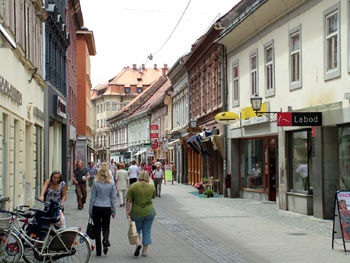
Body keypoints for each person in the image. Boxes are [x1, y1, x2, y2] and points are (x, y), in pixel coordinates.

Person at [126, 170, 156, 257]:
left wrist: (127, 211)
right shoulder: (151, 186)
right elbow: (153, 196)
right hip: (149, 211)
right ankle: (145, 251)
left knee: (136, 230)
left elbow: (128, 200)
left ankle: (138, 243)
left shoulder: (133, 186)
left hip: (137, 211)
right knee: (147, 231)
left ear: (139, 176)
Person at [89, 163, 117, 256]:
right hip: (107, 207)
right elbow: (113, 198)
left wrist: (90, 210)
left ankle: (98, 251)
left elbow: (92, 198)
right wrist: (113, 211)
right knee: (106, 226)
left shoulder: (96, 182)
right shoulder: (112, 184)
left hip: (96, 207)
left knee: (97, 228)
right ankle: (105, 240)